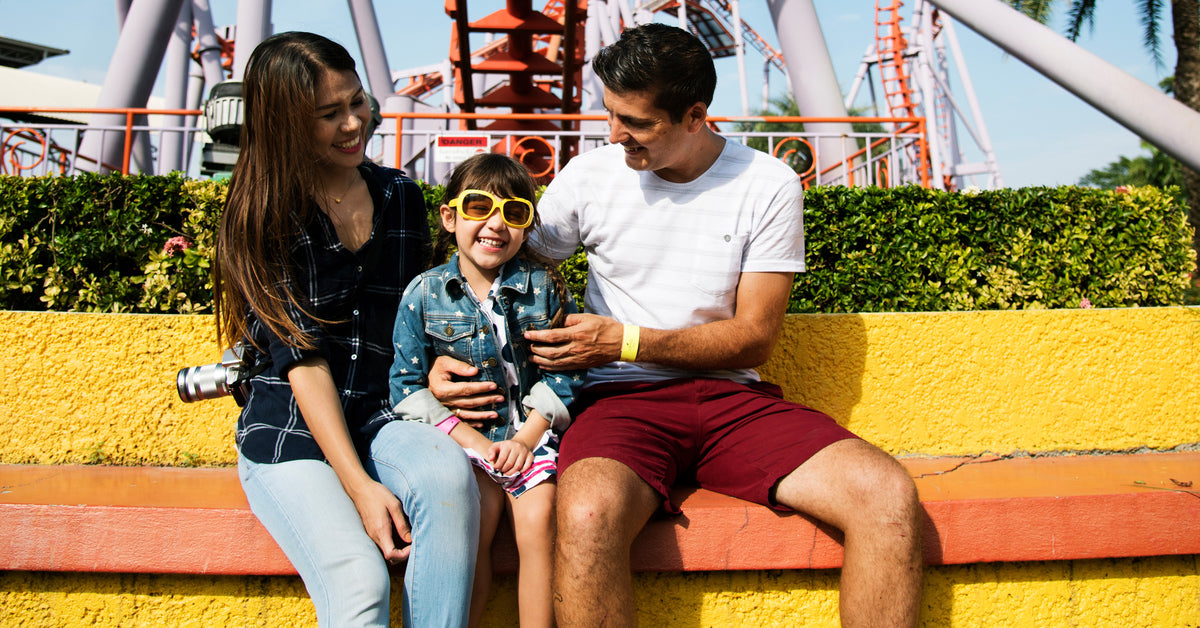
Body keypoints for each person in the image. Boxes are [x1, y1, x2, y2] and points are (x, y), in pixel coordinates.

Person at [430, 23, 924, 627]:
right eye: (611, 114)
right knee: (585, 514)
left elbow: (755, 336)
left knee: (887, 496)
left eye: (635, 123)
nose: (615, 135)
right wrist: (447, 352)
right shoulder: (593, 175)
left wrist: (624, 340)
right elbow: (492, 255)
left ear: (695, 117)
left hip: (731, 399)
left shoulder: (767, 184)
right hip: (618, 400)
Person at [213, 31, 478, 628]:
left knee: (447, 479)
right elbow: (301, 361)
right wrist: (360, 487)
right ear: (283, 123)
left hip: (384, 413)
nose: (354, 122)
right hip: (292, 428)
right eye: (329, 114)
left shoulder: (400, 196)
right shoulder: (262, 214)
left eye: (356, 102)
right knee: (360, 584)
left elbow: (421, 315)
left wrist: (434, 363)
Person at [389, 153, 585, 628]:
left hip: (530, 438)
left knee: (539, 524)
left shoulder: (546, 288)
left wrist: (525, 439)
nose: (496, 224)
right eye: (479, 207)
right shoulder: (424, 292)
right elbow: (405, 388)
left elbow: (567, 372)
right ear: (450, 215)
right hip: (466, 443)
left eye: (515, 212)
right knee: (473, 531)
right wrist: (476, 443)